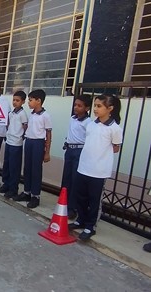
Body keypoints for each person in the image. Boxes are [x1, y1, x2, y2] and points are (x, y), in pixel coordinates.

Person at [68, 94, 123, 241]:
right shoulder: (91, 124)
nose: (95, 109)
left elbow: (115, 148)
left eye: (99, 106)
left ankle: (90, 226)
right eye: (95, 106)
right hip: (84, 166)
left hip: (99, 171)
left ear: (110, 108)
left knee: (94, 200)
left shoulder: (115, 129)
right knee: (81, 196)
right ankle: (81, 219)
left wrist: (101, 156)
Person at [13, 89, 52, 208]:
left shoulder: (45, 116)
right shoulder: (32, 114)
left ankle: (35, 196)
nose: (28, 103)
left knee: (36, 170)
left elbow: (49, 135)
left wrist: (47, 152)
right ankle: (27, 192)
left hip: (38, 143)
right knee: (27, 168)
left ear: (38, 101)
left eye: (30, 100)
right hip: (29, 141)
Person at [60, 94, 92, 219]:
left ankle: (73, 208)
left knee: (75, 180)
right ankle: (64, 204)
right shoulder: (73, 118)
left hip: (79, 151)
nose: (76, 108)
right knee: (66, 179)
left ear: (87, 108)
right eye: (75, 105)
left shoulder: (88, 123)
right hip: (69, 150)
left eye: (80, 106)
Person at [0, 91, 28, 199]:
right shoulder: (11, 113)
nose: (15, 102)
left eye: (17, 100)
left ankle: (13, 188)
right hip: (9, 141)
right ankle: (6, 184)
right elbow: (8, 124)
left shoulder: (23, 114)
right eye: (14, 100)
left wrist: (21, 137)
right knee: (7, 164)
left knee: (14, 166)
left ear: (23, 102)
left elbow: (25, 127)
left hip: (16, 143)